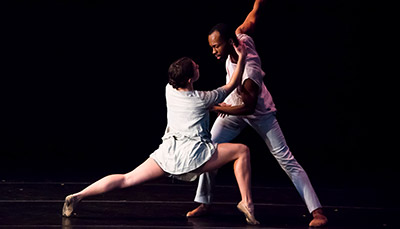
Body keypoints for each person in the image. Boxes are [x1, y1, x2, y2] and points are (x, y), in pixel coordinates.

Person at [62, 43, 260, 225]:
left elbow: (197, 108)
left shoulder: (169, 90)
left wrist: (213, 107)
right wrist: (242, 58)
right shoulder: (203, 98)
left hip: (167, 155)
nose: (198, 65)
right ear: (190, 78)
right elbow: (232, 84)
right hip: (195, 157)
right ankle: (247, 203)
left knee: (126, 178)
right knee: (242, 151)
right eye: (196, 67)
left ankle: (78, 196)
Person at [186, 0, 328, 227]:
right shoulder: (241, 35)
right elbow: (253, 16)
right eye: (212, 47)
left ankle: (318, 212)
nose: (213, 51)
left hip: (258, 113)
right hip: (233, 109)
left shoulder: (250, 71)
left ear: (230, 43)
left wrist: (217, 107)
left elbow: (249, 108)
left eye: (216, 46)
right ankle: (204, 202)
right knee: (209, 148)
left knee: (286, 159)